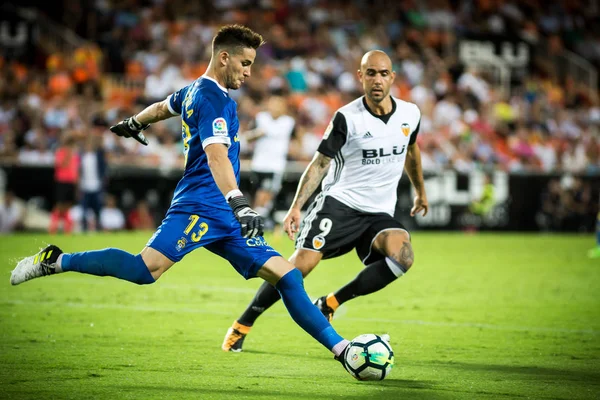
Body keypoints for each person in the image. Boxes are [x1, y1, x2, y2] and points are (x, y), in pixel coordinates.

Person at [11, 25, 352, 369]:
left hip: (224, 214)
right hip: (200, 207)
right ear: (224, 58)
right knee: (144, 269)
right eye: (245, 63)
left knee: (288, 276)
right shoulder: (213, 100)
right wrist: (239, 201)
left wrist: (134, 122)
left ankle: (344, 351)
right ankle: (56, 260)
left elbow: (161, 107)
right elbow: (217, 154)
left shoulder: (194, 91)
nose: (249, 73)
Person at [222, 50, 429, 352]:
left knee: (403, 256)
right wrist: (296, 206)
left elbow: (411, 151)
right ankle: (243, 323)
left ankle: (331, 302)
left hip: (378, 213)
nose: (377, 80)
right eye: (370, 73)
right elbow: (320, 164)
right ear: (360, 76)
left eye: (383, 73)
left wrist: (420, 191)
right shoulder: (347, 117)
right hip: (340, 204)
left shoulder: (410, 114)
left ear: (392, 77)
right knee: (296, 270)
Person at [245, 95, 295, 230]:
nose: (274, 108)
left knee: (265, 194)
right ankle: (257, 220)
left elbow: (292, 138)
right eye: (272, 104)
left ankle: (255, 222)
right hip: (258, 164)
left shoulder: (288, 122)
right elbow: (247, 137)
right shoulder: (260, 118)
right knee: (257, 196)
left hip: (275, 166)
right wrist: (257, 133)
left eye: (278, 105)